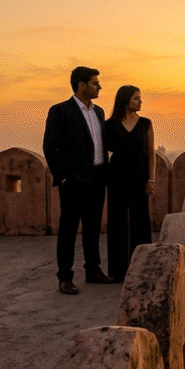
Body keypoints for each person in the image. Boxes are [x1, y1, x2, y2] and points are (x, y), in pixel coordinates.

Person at [42, 66, 118, 294]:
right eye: (95, 83)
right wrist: (63, 177)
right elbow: (50, 146)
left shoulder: (98, 112)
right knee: (68, 229)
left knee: (93, 227)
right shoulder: (61, 111)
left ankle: (93, 270)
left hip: (97, 177)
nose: (100, 87)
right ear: (81, 85)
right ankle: (65, 277)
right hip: (74, 180)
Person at [104, 85, 155, 280]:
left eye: (140, 98)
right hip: (116, 176)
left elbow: (151, 154)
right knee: (117, 222)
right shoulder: (110, 125)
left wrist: (151, 179)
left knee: (140, 221)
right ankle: (117, 271)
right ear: (125, 100)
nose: (140, 102)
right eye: (136, 98)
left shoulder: (145, 124)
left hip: (139, 176)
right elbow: (104, 151)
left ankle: (143, 268)